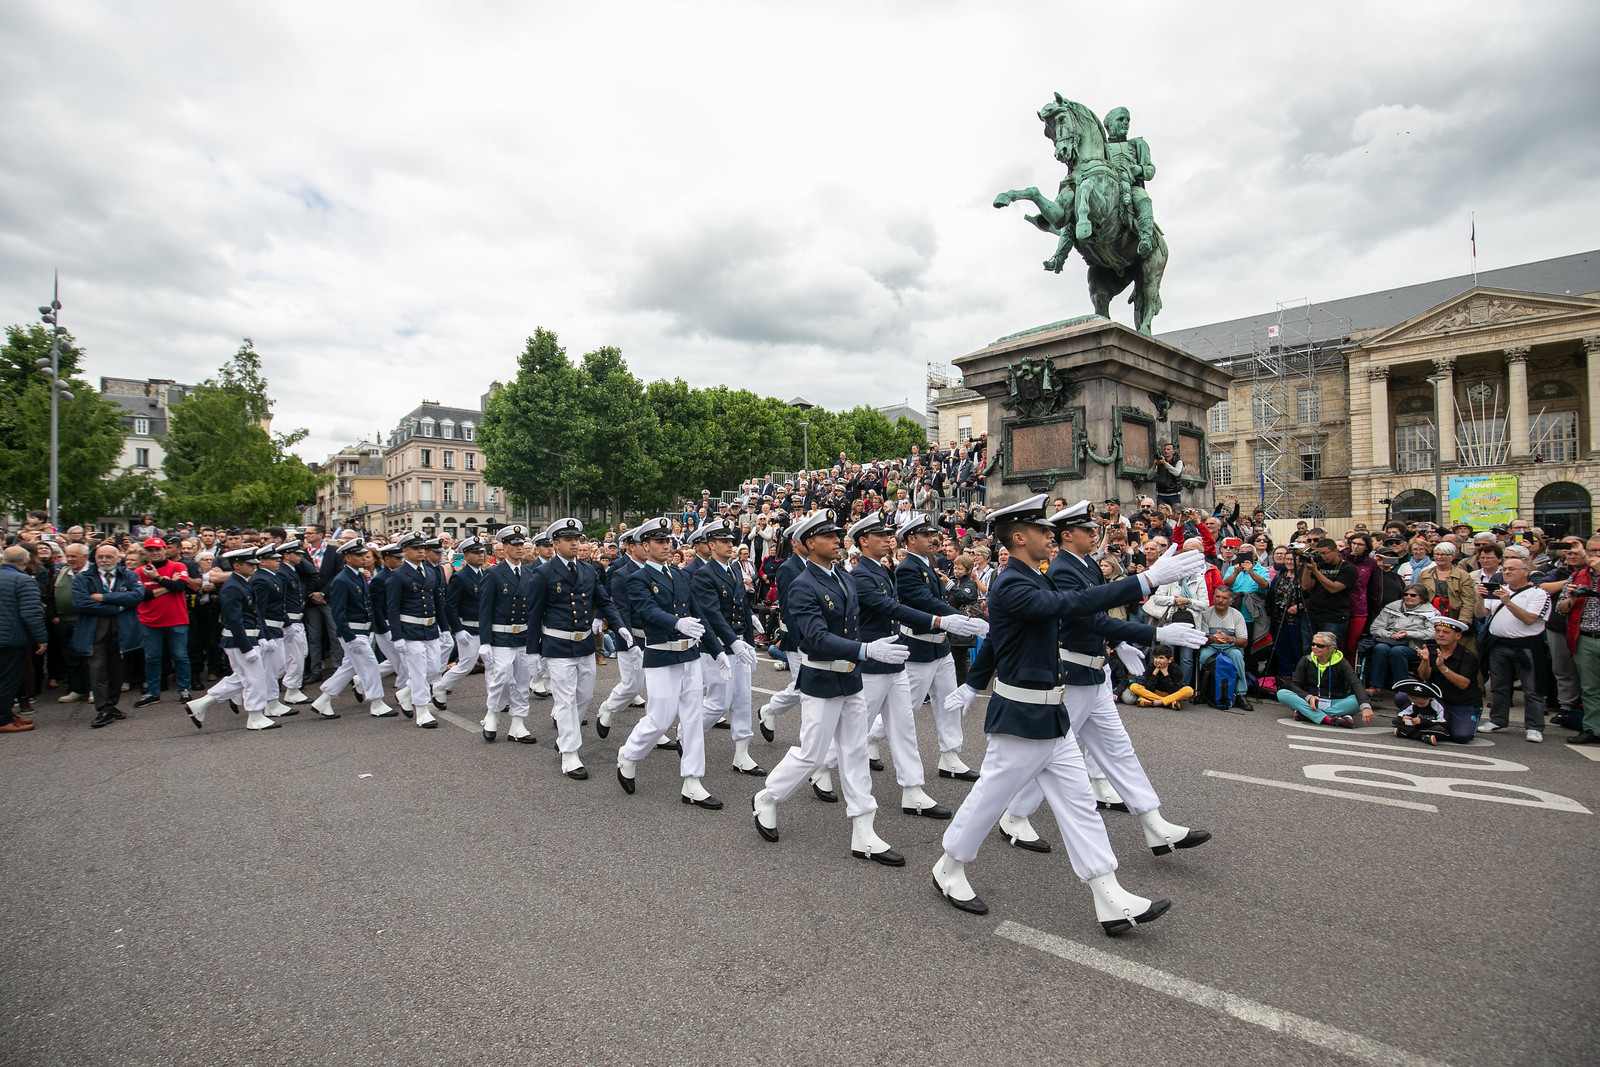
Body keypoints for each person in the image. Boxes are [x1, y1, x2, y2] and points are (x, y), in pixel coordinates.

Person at [931, 494, 1206, 933]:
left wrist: (972, 683)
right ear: (1019, 537)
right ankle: (949, 866)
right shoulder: (1014, 583)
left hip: (1052, 714)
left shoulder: (1033, 577)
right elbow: (1066, 608)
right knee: (989, 798)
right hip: (1022, 716)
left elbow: (1012, 637)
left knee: (1080, 804)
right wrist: (1144, 581)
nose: (1049, 536)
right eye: (1042, 530)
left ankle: (1109, 894)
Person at [984, 501, 1212, 856]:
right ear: (1068, 534)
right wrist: (1152, 634)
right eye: (1087, 530)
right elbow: (1084, 616)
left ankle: (1155, 824)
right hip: (1072, 674)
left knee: (1117, 749)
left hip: (1094, 671)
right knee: (1048, 755)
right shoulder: (1060, 570)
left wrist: (1121, 642)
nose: (1095, 534)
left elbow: (1098, 616)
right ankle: (1014, 814)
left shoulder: (1086, 564)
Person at [751, 509, 911, 862]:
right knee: (811, 752)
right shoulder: (803, 585)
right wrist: (867, 649)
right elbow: (816, 638)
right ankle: (768, 797)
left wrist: (862, 652)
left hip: (850, 677)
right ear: (810, 543)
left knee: (854, 752)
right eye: (829, 536)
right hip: (822, 677)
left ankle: (864, 831)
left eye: (839, 534)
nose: (838, 540)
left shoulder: (844, 577)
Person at [849, 512, 975, 820]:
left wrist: (951, 620)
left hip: (938, 643)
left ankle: (947, 757)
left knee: (943, 704)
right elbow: (918, 603)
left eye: (934, 534)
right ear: (911, 539)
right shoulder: (905, 569)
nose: (934, 539)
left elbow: (931, 598)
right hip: (916, 646)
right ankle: (860, 746)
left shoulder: (926, 565)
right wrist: (953, 619)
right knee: (900, 710)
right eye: (926, 535)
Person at [616, 516, 727, 807]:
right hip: (663, 655)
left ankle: (693, 782)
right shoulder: (638, 578)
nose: (667, 546)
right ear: (645, 545)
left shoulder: (679, 575)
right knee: (659, 719)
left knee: (692, 720)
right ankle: (628, 754)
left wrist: (717, 651)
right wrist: (677, 624)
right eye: (659, 541)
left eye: (668, 541)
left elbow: (700, 616)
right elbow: (647, 611)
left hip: (689, 655)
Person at [526, 517, 630, 780]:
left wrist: (619, 625)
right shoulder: (543, 573)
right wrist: (531, 651)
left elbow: (604, 601)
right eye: (569, 540)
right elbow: (534, 613)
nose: (575, 543)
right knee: (565, 699)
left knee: (583, 697)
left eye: (578, 539)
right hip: (557, 644)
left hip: (584, 644)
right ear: (556, 544)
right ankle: (570, 752)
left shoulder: (587, 570)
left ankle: (567, 736)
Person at [690, 519, 766, 777]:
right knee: (718, 701)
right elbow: (711, 613)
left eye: (731, 541)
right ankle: (688, 731)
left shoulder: (733, 569)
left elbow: (741, 604)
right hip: (719, 647)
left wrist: (749, 632)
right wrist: (732, 641)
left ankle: (742, 755)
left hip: (738, 643)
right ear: (710, 545)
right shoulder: (704, 574)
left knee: (742, 699)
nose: (729, 544)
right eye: (723, 541)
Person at [182, 546, 280, 730]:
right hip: (239, 641)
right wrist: (247, 648)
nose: (254, 566)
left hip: (248, 638)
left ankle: (199, 705)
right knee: (255, 679)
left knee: (241, 678)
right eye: (249, 564)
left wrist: (262, 637)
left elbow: (254, 613)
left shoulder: (242, 582)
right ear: (236, 565)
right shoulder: (233, 587)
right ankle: (255, 715)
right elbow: (234, 621)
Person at [308, 540, 393, 719]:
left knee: (349, 667)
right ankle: (376, 703)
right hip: (353, 632)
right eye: (359, 555)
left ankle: (323, 700)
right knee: (369, 666)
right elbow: (338, 613)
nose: (363, 558)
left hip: (363, 630)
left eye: (364, 554)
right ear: (347, 558)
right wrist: (349, 636)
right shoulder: (341, 580)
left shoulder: (359, 576)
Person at [1477, 555, 1550, 742]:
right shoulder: (1498, 591)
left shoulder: (1538, 593)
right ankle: (1498, 720)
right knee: (1499, 687)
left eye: (1511, 569)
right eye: (1505, 569)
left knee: (1532, 688)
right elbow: (1480, 614)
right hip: (1499, 644)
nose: (1506, 572)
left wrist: (1508, 602)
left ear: (1526, 572)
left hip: (1526, 646)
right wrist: (1479, 597)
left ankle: (1534, 726)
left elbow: (1529, 619)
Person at [72, 543, 145, 729]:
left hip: (122, 630)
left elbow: (136, 597)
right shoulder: (84, 578)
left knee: (117, 669)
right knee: (98, 669)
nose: (104, 560)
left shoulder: (129, 575)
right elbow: (81, 603)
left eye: (108, 557)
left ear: (117, 558)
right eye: (100, 557)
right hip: (94, 630)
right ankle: (102, 708)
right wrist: (117, 607)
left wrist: (104, 598)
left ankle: (112, 704)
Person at [476, 526, 537, 742]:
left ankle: (518, 724)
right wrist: (485, 641)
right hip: (501, 635)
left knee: (521, 681)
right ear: (504, 548)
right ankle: (493, 713)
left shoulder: (530, 573)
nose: (520, 548)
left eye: (522, 544)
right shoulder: (493, 573)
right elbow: (484, 609)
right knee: (501, 678)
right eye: (515, 544)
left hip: (523, 635)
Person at [1401, 617, 1481, 743]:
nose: (1440, 635)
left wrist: (1442, 667)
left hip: (1459, 703)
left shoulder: (1467, 656)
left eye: (1446, 632)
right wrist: (1425, 661)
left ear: (1458, 636)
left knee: (1462, 736)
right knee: (1401, 698)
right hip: (1435, 700)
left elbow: (1463, 684)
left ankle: (1436, 726)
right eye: (1438, 631)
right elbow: (1423, 677)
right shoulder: (1430, 650)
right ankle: (1432, 724)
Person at [431, 536, 489, 710]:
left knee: (494, 665)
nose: (480, 555)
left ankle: (497, 698)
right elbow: (450, 606)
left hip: (486, 628)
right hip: (469, 628)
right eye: (475, 552)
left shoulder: (486, 574)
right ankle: (441, 686)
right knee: (466, 665)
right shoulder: (460, 577)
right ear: (466, 555)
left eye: (482, 552)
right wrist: (457, 630)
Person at [1276, 631, 1374, 727]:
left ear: (1331, 648)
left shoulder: (1341, 662)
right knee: (1282, 693)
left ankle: (1307, 714)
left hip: (1335, 702)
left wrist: (1365, 706)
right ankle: (1330, 719)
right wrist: (1308, 697)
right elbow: (1294, 685)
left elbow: (1355, 683)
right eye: (1313, 644)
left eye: (1320, 646)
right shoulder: (1306, 660)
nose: (1314, 647)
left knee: (1357, 700)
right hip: (1312, 702)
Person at [1, 546, 48, 733]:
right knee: (8, 681)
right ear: (26, 561)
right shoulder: (23, 580)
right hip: (11, 639)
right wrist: (41, 639)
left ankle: (6, 715)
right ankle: (3, 719)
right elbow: (31, 614)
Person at [1364, 585, 1439, 692]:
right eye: (1406, 594)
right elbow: (1375, 628)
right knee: (1380, 648)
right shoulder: (1392, 607)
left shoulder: (1431, 612)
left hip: (1414, 646)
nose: (1408, 597)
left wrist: (1408, 634)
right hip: (1390, 641)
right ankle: (1375, 686)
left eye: (1413, 595)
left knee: (1398, 651)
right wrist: (1390, 635)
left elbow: (1433, 633)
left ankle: (1403, 688)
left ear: (1422, 598)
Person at [1196, 586, 1251, 710]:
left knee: (1237, 656)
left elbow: (1244, 642)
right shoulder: (1206, 614)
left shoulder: (1237, 615)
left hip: (1230, 647)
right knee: (1202, 656)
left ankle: (1241, 694)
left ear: (1230, 601)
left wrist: (1229, 638)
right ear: (1213, 598)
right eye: (1218, 597)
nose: (1220, 600)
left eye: (1224, 598)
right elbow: (1202, 639)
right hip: (1211, 646)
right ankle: (1200, 691)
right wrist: (1213, 639)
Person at [1300, 539, 1357, 652]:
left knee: (1328, 652)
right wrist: (1307, 567)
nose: (1322, 557)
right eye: (1319, 553)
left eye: (1324, 553)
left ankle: (1329, 671)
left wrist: (1316, 571)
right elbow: (1306, 586)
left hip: (1333, 618)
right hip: (1312, 614)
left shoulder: (1348, 569)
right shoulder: (1320, 565)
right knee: (1308, 650)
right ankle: (1311, 670)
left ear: (1335, 551)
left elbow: (1333, 588)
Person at [53, 543, 90, 704]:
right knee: (71, 658)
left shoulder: (93, 572)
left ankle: (92, 689)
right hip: (65, 622)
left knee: (89, 658)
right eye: (68, 556)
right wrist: (53, 615)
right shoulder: (63, 571)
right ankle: (76, 689)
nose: (69, 559)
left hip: (86, 621)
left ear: (85, 557)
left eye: (73, 556)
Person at [1122, 645, 1194, 708]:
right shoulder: (1151, 667)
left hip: (1170, 694)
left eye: (1161, 658)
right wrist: (1154, 674)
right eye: (1156, 657)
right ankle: (1168, 703)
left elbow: (1174, 691)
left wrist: (1166, 674)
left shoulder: (1175, 668)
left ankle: (1155, 702)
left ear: (1170, 660)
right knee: (1133, 686)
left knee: (1189, 690)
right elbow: (1148, 689)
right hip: (1155, 693)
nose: (1158, 660)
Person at [1151, 442, 1183, 511]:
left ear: (1173, 451)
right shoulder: (1160, 463)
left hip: (1174, 494)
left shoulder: (1178, 462)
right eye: (1165, 449)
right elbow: (1149, 476)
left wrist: (1165, 464)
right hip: (1161, 495)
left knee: (1175, 514)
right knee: (1161, 514)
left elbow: (1177, 473)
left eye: (1168, 449)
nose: (1166, 451)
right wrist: (1154, 465)